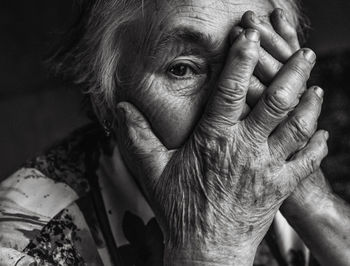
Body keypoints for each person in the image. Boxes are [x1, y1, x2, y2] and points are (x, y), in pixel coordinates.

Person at [0, 0, 349, 265]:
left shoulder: (314, 130)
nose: (233, 99)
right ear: (104, 98)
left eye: (255, 58)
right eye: (183, 69)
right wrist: (212, 247)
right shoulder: (22, 245)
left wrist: (315, 206)